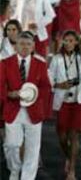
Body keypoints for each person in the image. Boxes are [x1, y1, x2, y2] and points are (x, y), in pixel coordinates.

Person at [0, 31, 51, 180]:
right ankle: (14, 169)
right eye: (21, 44)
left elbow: (46, 87)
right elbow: (0, 85)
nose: (25, 47)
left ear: (33, 46)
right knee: (11, 145)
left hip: (34, 111)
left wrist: (34, 95)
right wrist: (9, 94)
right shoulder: (5, 63)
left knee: (33, 149)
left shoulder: (40, 64)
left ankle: (27, 177)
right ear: (16, 46)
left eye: (28, 44)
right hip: (12, 108)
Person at [49, 31, 81, 180]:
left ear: (76, 42)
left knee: (74, 135)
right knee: (61, 136)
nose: (68, 43)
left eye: (71, 40)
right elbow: (49, 80)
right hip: (63, 100)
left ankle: (72, 170)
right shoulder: (56, 59)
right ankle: (69, 156)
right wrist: (59, 85)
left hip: (79, 100)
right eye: (65, 40)